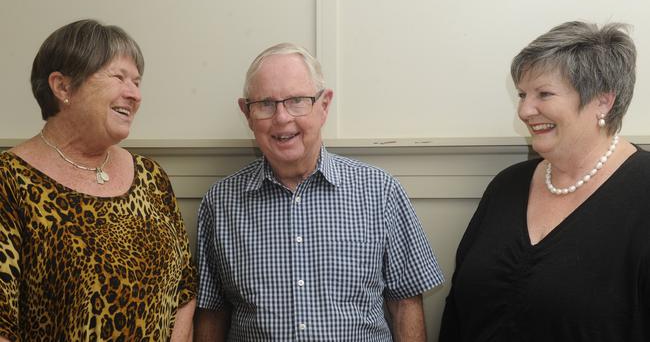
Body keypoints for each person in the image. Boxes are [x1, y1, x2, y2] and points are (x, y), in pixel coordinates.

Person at [194, 42, 443, 341]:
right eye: (266, 104)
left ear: (323, 106)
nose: (282, 118)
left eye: (297, 100)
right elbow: (212, 313)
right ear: (247, 114)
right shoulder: (220, 203)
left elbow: (405, 304)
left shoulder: (380, 192)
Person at [439, 21, 648, 341]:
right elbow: (457, 312)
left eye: (544, 94)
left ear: (603, 101)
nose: (524, 110)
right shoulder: (507, 185)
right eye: (522, 94)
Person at [0, 19, 196, 341]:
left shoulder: (152, 176)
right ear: (63, 87)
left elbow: (184, 289)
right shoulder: (9, 180)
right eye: (119, 77)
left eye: (137, 81)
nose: (135, 94)